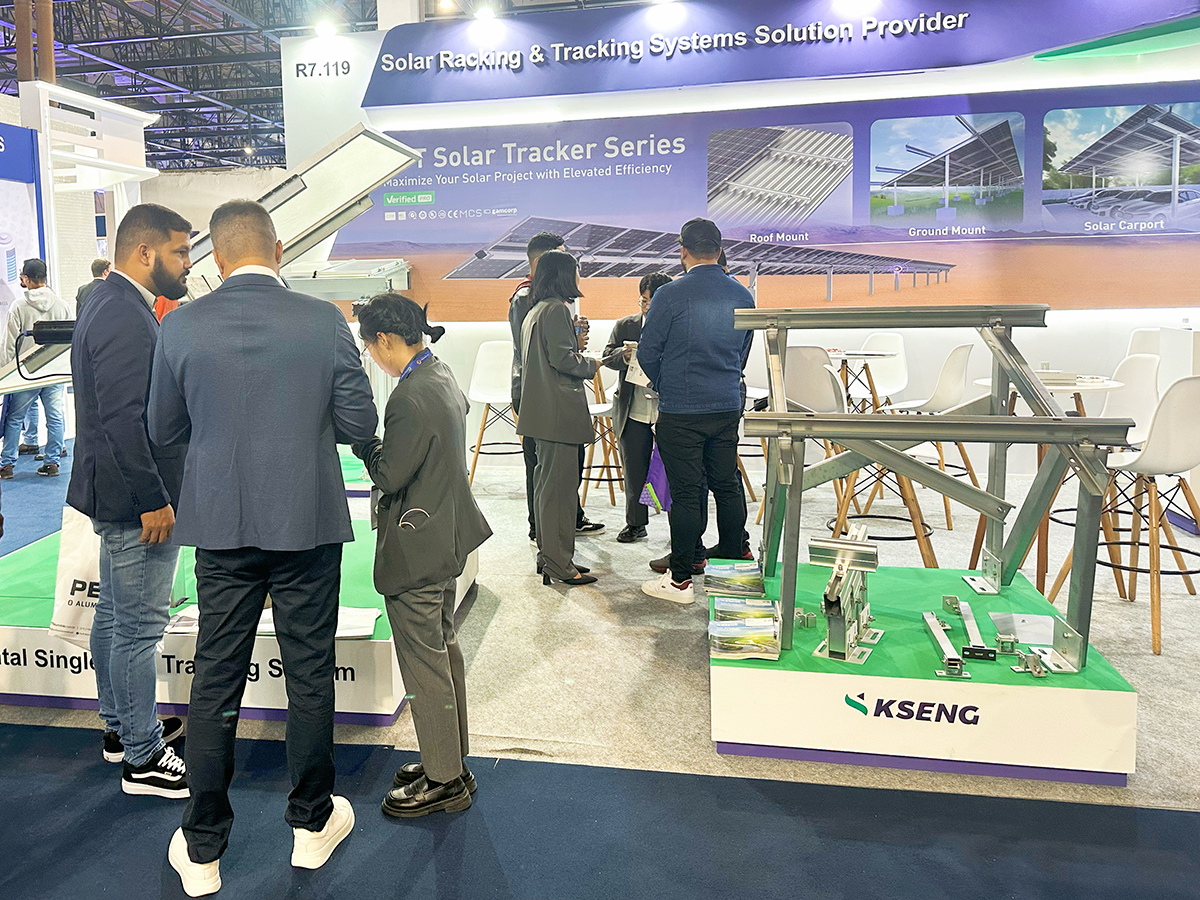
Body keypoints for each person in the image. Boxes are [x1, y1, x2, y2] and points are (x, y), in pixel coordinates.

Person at [148, 199, 377, 897]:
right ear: (278, 250)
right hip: (306, 519)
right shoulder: (323, 321)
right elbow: (358, 421)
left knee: (216, 677)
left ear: (216, 258)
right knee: (309, 673)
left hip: (220, 522)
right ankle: (311, 823)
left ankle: (203, 846)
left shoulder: (180, 324)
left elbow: (162, 427)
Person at [351, 294, 491, 819]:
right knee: (443, 651)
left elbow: (390, 474)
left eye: (370, 346)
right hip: (444, 536)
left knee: (425, 665)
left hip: (417, 547)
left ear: (385, 340)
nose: (371, 355)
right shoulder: (441, 373)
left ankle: (444, 780)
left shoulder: (408, 397)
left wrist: (365, 443)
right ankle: (450, 760)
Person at [68, 205, 191, 797]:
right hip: (134, 499)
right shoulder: (124, 312)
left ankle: (122, 728)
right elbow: (123, 418)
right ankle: (142, 757)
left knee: (116, 617)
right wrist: (153, 500)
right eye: (180, 252)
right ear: (145, 253)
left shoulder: (107, 298)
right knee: (139, 628)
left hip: (113, 490)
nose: (187, 263)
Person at [637, 218, 755, 604]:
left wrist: (665, 383)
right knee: (727, 484)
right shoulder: (742, 294)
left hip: (682, 409)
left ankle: (681, 579)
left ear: (682, 251)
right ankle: (735, 567)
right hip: (726, 404)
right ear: (719, 250)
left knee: (687, 493)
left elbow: (648, 352)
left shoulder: (669, 295)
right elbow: (742, 351)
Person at [509, 231, 604, 544]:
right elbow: (544, 354)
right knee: (546, 471)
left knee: (559, 471)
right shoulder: (530, 300)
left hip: (547, 392)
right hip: (542, 393)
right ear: (545, 263)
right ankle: (544, 533)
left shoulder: (546, 304)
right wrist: (590, 361)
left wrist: (572, 337)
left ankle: (560, 530)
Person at [603, 273, 672, 543]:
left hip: (668, 409)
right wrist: (624, 355)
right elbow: (607, 356)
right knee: (634, 469)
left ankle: (678, 527)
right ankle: (635, 523)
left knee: (672, 472)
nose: (647, 308)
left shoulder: (677, 325)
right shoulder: (626, 325)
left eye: (653, 302)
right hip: (633, 408)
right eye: (643, 302)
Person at [0, 259, 71, 478]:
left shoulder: (19, 306)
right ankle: (52, 463)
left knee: (15, 418)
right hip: (53, 372)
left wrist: (6, 373)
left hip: (26, 372)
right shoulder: (61, 305)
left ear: (26, 279)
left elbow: (9, 344)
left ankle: (7, 465)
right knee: (55, 417)